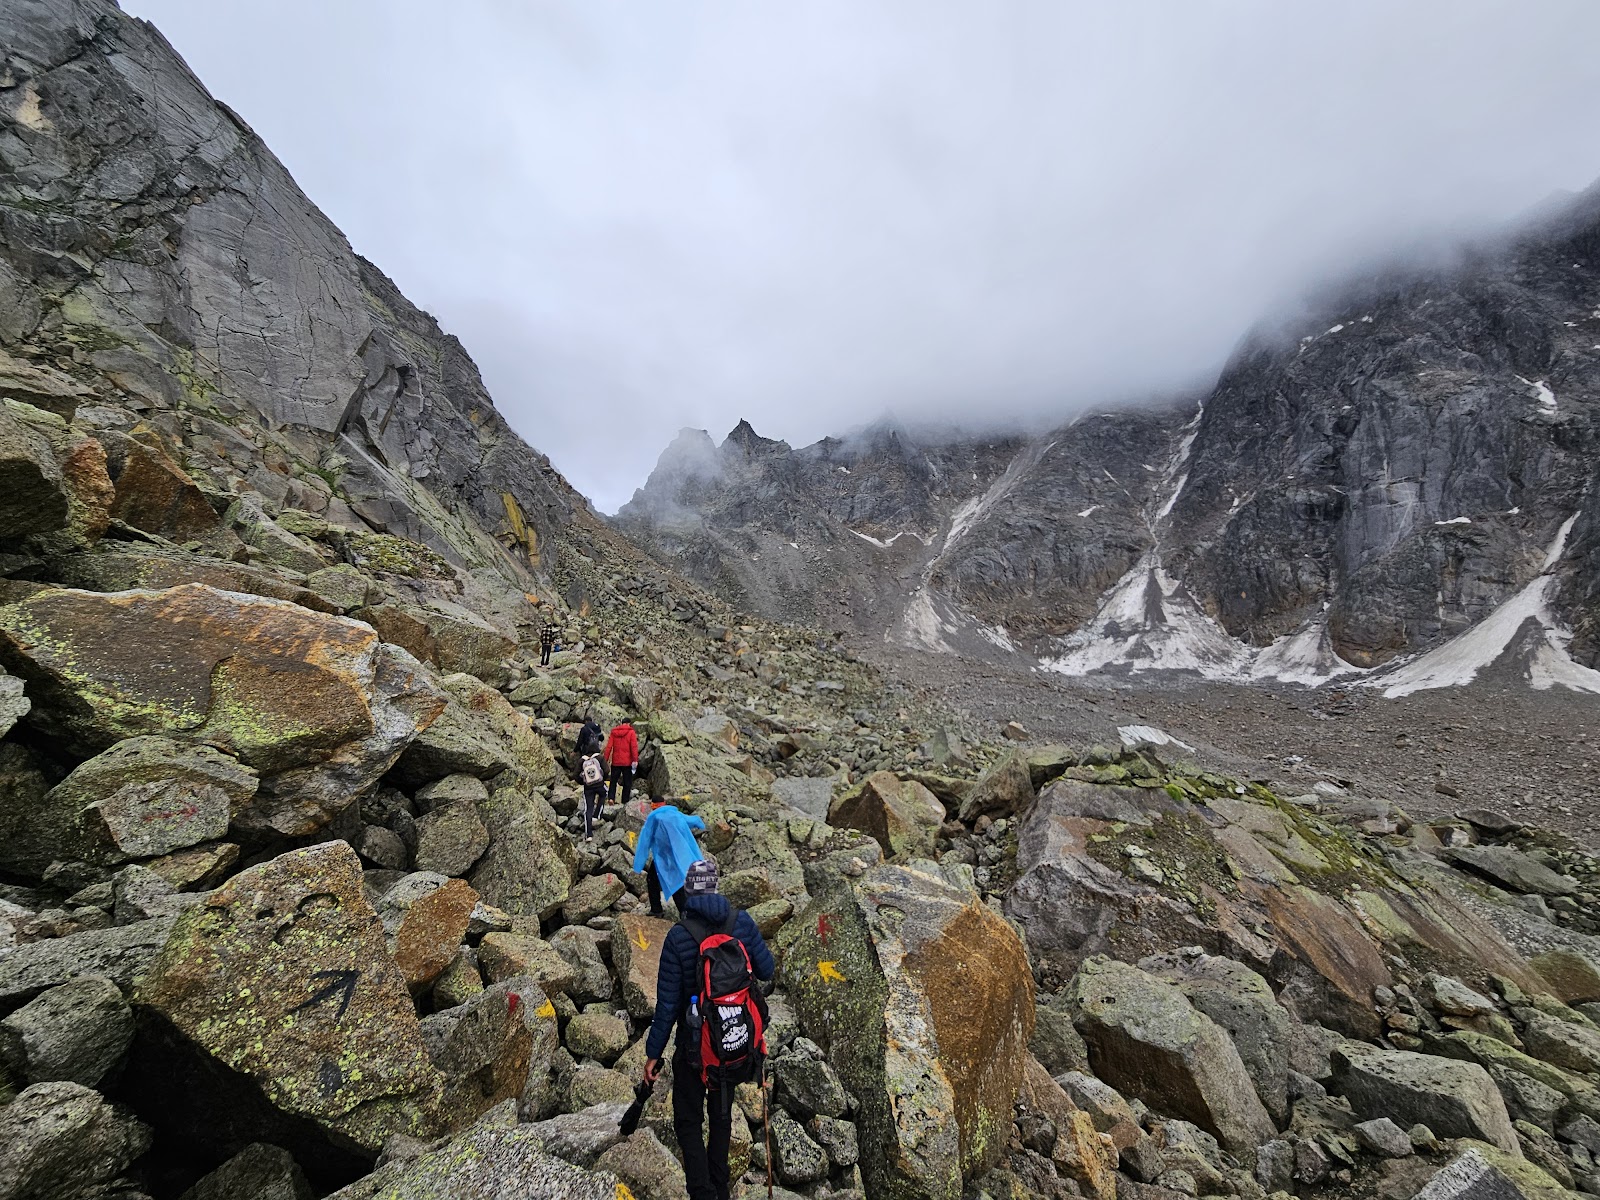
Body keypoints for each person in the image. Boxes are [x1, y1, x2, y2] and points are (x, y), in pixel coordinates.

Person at [643, 859, 775, 1200]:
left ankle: (702, 1192)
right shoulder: (741, 922)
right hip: (734, 1042)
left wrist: (653, 1054)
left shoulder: (678, 936)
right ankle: (720, 1188)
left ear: (688, 891)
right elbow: (767, 970)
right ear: (716, 887)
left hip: (693, 1048)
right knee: (721, 1117)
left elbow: (667, 1006)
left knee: (688, 1121)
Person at [632, 798, 705, 918]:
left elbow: (644, 842)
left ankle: (659, 910)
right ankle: (684, 912)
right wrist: (701, 824)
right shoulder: (676, 814)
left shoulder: (653, 819)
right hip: (680, 853)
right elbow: (692, 820)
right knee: (677, 880)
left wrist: (638, 865)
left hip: (664, 856)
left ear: (653, 806)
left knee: (656, 880)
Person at [603, 718, 639, 806]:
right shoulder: (631, 732)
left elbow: (609, 747)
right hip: (627, 762)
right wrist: (635, 760)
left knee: (613, 781)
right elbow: (633, 747)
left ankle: (611, 798)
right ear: (629, 723)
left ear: (621, 723)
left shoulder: (614, 732)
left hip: (616, 762)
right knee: (627, 782)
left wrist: (605, 760)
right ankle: (624, 801)